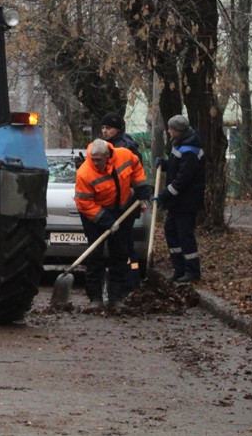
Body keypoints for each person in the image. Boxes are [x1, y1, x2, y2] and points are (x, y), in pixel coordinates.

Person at [74, 138, 150, 309]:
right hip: (94, 215)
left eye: (98, 160)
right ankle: (95, 298)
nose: (95, 163)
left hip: (120, 209)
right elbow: (84, 204)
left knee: (120, 253)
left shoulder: (124, 155)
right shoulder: (85, 173)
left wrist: (141, 188)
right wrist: (106, 221)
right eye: (92, 159)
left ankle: (116, 297)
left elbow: (136, 167)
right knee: (95, 255)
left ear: (108, 155)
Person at [158, 114, 206, 283]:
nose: (168, 131)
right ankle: (179, 268)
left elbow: (183, 180)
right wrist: (165, 164)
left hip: (186, 202)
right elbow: (176, 167)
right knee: (171, 231)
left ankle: (192, 270)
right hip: (177, 202)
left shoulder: (191, 151)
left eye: (171, 129)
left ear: (178, 130)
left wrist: (164, 195)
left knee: (184, 235)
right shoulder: (180, 143)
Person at [100, 112, 144, 290]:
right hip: (116, 204)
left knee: (123, 246)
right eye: (103, 128)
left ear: (117, 129)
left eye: (108, 128)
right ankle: (127, 281)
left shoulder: (125, 148)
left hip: (125, 204)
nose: (104, 131)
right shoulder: (108, 146)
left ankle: (131, 281)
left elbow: (131, 176)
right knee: (121, 245)